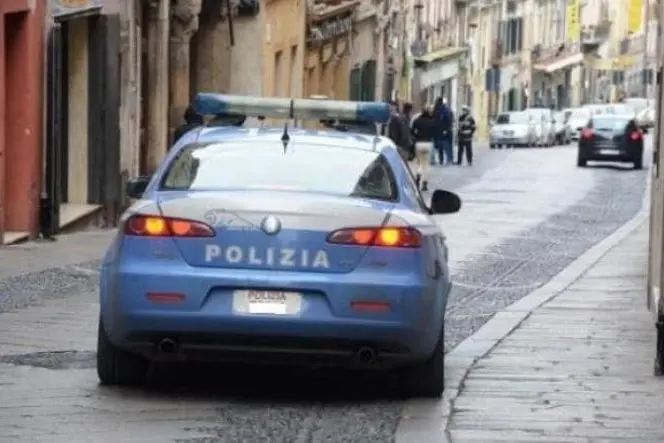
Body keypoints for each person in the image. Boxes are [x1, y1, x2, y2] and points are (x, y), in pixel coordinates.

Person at [410, 104, 437, 191]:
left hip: (419, 143)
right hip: (428, 143)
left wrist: (416, 136)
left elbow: (412, 131)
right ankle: (425, 183)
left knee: (419, 163)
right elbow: (434, 132)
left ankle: (418, 175)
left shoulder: (417, 121)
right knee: (426, 164)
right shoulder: (432, 121)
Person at [433, 97, 454, 165]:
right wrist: (447, 129)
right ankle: (449, 159)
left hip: (438, 131)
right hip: (444, 131)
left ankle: (442, 160)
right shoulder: (445, 109)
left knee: (440, 147)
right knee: (446, 146)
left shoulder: (437, 109)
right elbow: (449, 120)